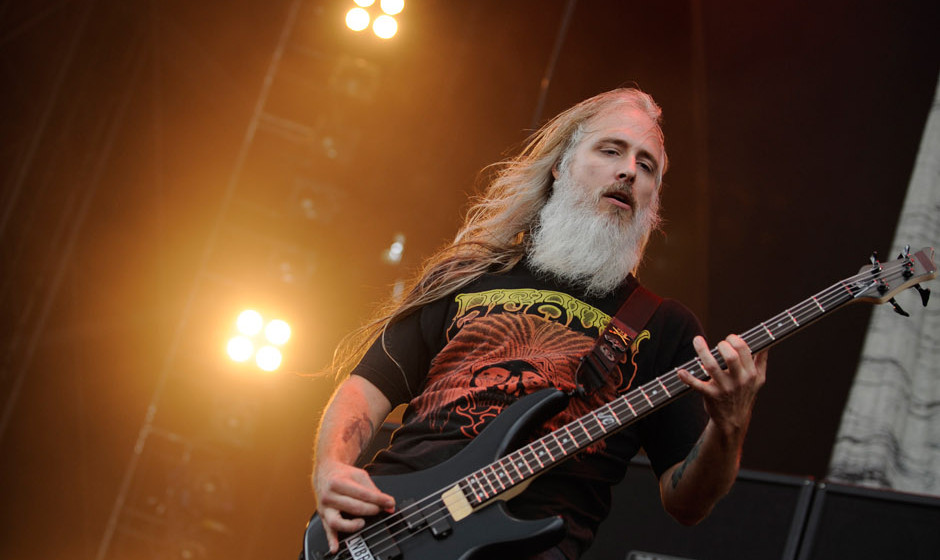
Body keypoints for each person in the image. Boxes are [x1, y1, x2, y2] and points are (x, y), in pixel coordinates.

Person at [310, 87, 768, 560]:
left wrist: (730, 426)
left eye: (647, 165)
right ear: (561, 165)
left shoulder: (664, 326)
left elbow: (686, 502)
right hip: (385, 530)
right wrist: (332, 469)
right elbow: (366, 388)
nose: (629, 170)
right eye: (611, 150)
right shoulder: (467, 275)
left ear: (652, 199)